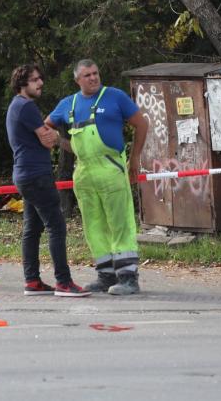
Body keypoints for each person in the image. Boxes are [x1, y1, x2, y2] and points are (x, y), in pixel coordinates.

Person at [45, 59, 148, 295]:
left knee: (120, 224)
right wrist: (59, 142)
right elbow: (45, 127)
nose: (93, 78)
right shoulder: (67, 104)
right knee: (94, 226)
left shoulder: (114, 97)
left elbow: (141, 125)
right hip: (84, 174)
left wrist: (134, 160)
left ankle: (128, 278)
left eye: (95, 73)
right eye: (87, 75)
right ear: (77, 80)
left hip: (111, 170)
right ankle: (106, 275)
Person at [5, 64, 91, 297]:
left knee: (32, 229)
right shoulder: (26, 106)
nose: (40, 83)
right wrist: (61, 140)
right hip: (36, 175)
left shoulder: (16, 106)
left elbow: (46, 136)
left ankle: (32, 281)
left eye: (40, 78)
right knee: (56, 226)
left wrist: (52, 137)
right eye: (35, 80)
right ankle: (64, 282)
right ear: (22, 84)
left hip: (24, 174)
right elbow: (47, 140)